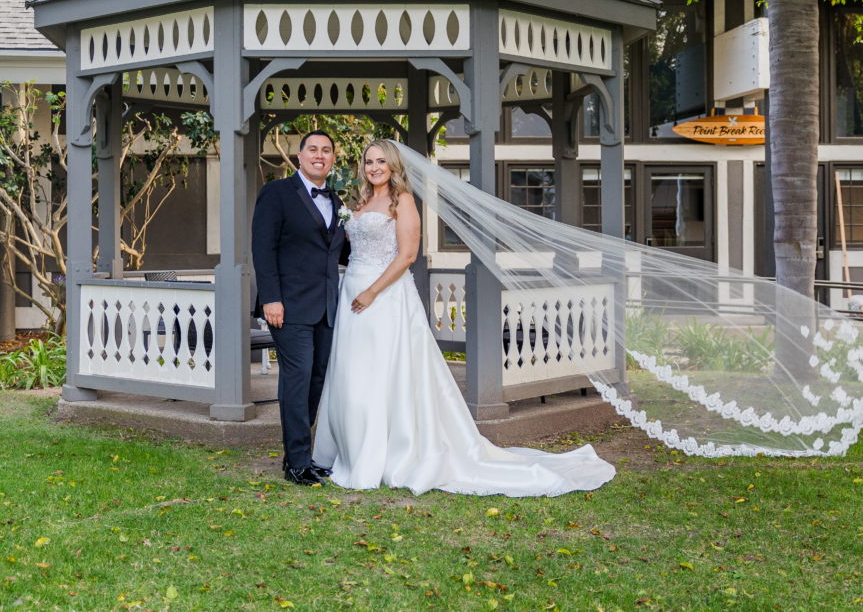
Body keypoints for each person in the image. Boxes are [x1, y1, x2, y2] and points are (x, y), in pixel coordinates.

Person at [312, 139, 616, 496]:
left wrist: (372, 291)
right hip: (353, 294)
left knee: (384, 373)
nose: (374, 167)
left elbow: (407, 256)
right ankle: (353, 448)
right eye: (368, 161)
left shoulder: (403, 201)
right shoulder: (360, 203)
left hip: (384, 298)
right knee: (354, 374)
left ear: (394, 165)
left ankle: (388, 454)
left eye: (381, 161)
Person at [251, 130, 349, 487]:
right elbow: (263, 249)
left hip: (326, 307)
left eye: (326, 150)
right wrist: (270, 298)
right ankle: (297, 462)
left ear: (333, 159)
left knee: (316, 381)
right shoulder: (276, 193)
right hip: (288, 306)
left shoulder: (338, 203)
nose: (319, 155)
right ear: (299, 156)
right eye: (313, 149)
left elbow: (338, 254)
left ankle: (297, 454)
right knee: (297, 379)